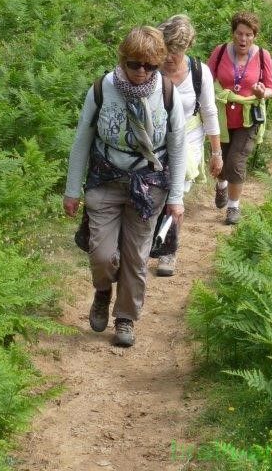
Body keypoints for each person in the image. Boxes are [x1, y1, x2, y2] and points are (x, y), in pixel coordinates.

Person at [63, 26, 186, 347]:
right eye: (134, 64)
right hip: (105, 180)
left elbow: (177, 146)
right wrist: (72, 189)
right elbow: (81, 140)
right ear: (123, 59)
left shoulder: (168, 93)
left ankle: (126, 318)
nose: (141, 72)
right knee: (102, 254)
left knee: (136, 257)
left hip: (150, 187)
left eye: (150, 66)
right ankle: (103, 292)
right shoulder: (102, 89)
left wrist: (176, 198)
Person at [152, 14, 222, 277]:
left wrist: (216, 153)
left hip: (189, 140)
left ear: (187, 48)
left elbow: (209, 111)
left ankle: (168, 251)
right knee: (155, 192)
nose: (170, 57)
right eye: (167, 50)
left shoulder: (198, 72)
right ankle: (149, 240)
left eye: (176, 51)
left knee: (176, 192)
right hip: (156, 140)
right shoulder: (151, 69)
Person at [208, 12, 272, 225]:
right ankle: (221, 185)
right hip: (222, 117)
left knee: (236, 162)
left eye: (248, 34)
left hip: (248, 118)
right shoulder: (219, 52)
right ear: (233, 33)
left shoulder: (263, 55)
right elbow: (206, 79)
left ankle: (233, 207)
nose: (243, 39)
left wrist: (261, 93)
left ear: (254, 36)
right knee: (223, 162)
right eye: (239, 33)